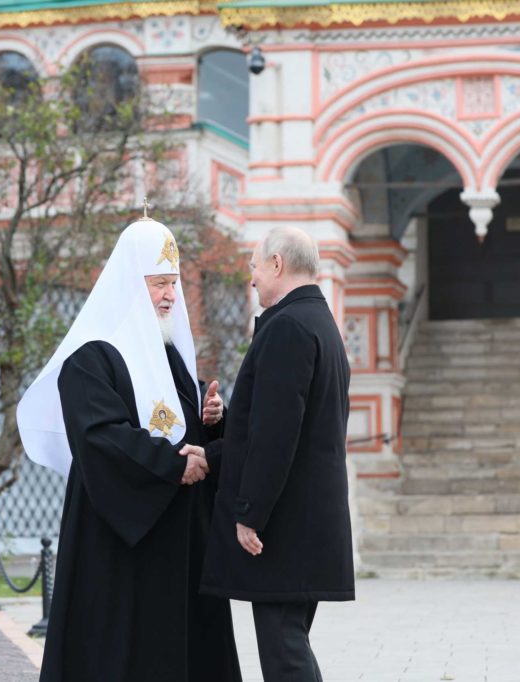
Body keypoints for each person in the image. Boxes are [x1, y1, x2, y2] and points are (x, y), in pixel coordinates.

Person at [18, 217, 240, 682]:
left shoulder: (172, 357)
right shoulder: (89, 358)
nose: (169, 296)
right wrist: (170, 465)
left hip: (181, 536)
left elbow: (187, 426)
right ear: (129, 284)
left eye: (173, 284)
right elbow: (100, 437)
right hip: (121, 542)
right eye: (159, 284)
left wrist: (211, 420)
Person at [201, 227, 354, 682]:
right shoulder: (318, 321)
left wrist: (250, 512)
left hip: (285, 526)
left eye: (253, 266)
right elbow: (284, 425)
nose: (251, 279)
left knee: (283, 651)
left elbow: (277, 436)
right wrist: (224, 426)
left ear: (276, 264)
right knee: (290, 644)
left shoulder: (287, 327)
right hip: (307, 521)